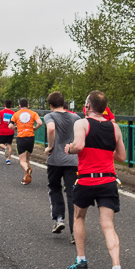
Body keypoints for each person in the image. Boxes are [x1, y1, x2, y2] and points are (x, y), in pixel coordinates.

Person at [65, 90, 127, 269]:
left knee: (79, 217)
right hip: (108, 180)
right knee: (108, 225)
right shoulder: (115, 128)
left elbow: (79, 146)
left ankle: (81, 260)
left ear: (88, 106)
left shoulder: (81, 123)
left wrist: (69, 148)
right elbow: (121, 157)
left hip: (86, 180)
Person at [45, 92, 78, 242]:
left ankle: (59, 219)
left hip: (55, 160)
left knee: (55, 188)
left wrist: (50, 147)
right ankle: (75, 232)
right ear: (63, 103)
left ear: (50, 105)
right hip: (72, 160)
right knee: (72, 194)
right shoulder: (75, 118)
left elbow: (51, 129)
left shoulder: (50, 116)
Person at [8, 98, 42, 185]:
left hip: (21, 137)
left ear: (19, 106)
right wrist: (34, 128)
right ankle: (26, 178)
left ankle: (27, 170)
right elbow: (40, 122)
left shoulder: (16, 114)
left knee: (22, 161)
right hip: (31, 137)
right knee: (27, 159)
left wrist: (16, 128)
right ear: (28, 105)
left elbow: (10, 125)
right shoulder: (33, 113)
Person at [0, 99, 15, 164]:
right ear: (11, 105)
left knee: (1, 143)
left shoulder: (1, 112)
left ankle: (5, 148)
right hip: (11, 130)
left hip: (3, 130)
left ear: (4, 105)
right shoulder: (13, 113)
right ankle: (8, 159)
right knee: (9, 144)